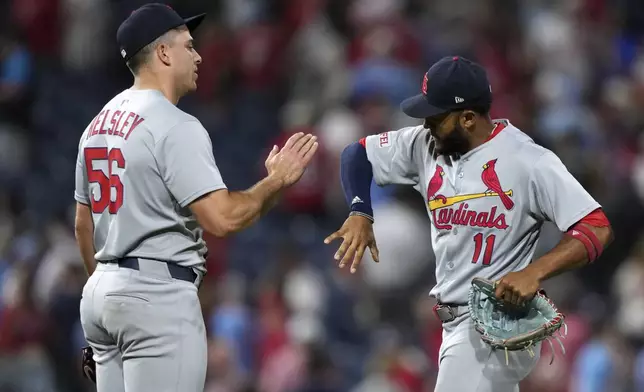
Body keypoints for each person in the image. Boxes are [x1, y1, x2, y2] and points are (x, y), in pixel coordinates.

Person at [324, 56, 613, 392]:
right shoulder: (426, 145)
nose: (427, 124)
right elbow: (357, 154)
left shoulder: (528, 161)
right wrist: (360, 211)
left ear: (468, 117)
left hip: (493, 326)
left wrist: (535, 272)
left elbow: (596, 226)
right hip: (455, 327)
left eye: (436, 117)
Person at [73, 4, 318, 392]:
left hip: (103, 295)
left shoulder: (97, 123)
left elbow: (84, 225)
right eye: (188, 46)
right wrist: (276, 181)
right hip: (156, 298)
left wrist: (106, 293)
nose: (199, 54)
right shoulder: (174, 124)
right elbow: (223, 219)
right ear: (164, 54)